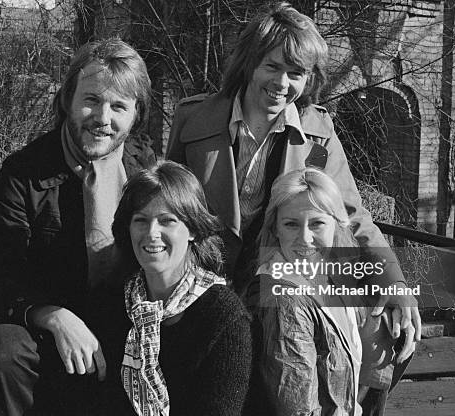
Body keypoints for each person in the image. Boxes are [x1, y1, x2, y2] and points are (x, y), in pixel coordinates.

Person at [166, 2, 420, 356]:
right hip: (201, 288)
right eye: (271, 66)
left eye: (296, 72)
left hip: (277, 290)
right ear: (249, 64)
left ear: (309, 78)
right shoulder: (192, 121)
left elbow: (352, 214)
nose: (281, 83)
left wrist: (395, 282)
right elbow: (168, 207)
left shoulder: (319, 133)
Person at [0, 39, 156, 415]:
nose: (103, 118)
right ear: (67, 101)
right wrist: (53, 316)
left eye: (119, 106)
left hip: (124, 326)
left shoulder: (147, 172)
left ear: (135, 115)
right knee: (3, 350)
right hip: (46, 330)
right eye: (91, 100)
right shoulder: (23, 174)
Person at [87, 160, 252, 415]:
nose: (152, 232)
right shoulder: (109, 302)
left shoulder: (224, 316)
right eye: (141, 220)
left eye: (167, 221)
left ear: (193, 230)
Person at [245, 168, 407, 416]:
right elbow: (299, 409)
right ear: (275, 229)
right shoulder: (283, 300)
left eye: (317, 223)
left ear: (337, 225)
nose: (305, 238)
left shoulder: (332, 279)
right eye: (291, 224)